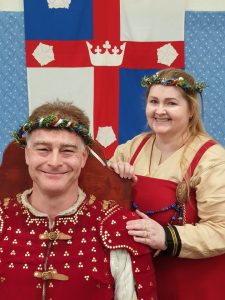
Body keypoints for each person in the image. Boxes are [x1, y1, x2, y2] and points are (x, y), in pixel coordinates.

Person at [0, 100, 157, 300]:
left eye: (67, 151)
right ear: (27, 155)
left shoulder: (117, 227)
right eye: (43, 149)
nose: (55, 162)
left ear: (83, 157)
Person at [109, 68, 225, 300]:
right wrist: (112, 177)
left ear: (191, 109)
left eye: (171, 103)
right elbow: (99, 204)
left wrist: (166, 237)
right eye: (154, 101)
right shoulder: (133, 147)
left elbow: (221, 229)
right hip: (141, 279)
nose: (159, 110)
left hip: (193, 283)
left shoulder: (211, 158)